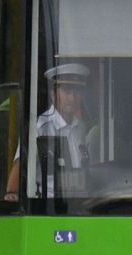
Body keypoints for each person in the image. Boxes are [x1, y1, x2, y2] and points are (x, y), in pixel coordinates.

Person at [6, 63, 93, 199]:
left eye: (76, 93)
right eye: (67, 92)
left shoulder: (82, 127)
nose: (72, 98)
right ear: (53, 94)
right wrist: (11, 194)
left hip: (81, 205)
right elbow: (18, 172)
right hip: (49, 208)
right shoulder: (40, 128)